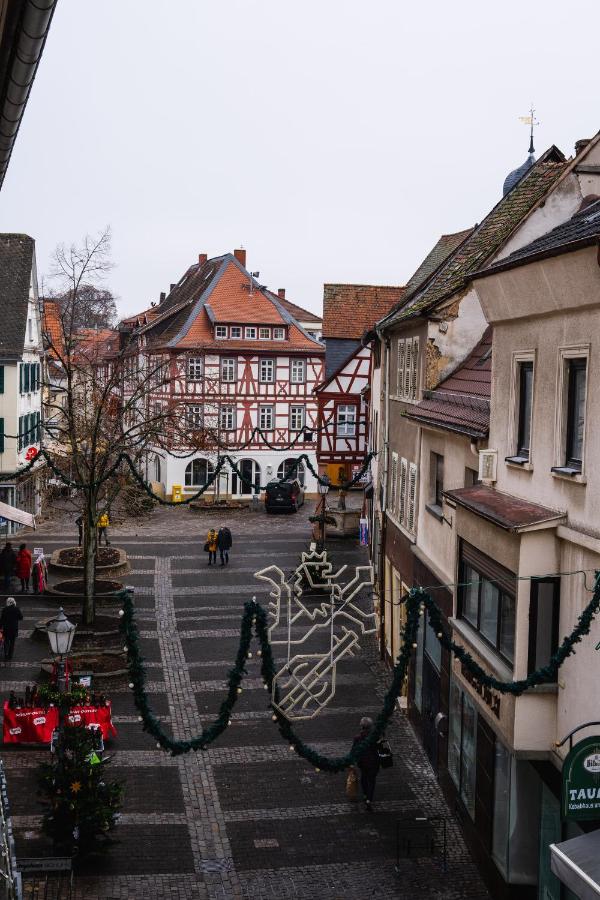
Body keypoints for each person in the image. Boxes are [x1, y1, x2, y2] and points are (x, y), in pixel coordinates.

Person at [352, 716, 380, 811]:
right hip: (374, 761)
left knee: (364, 777)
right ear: (370, 726)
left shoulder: (357, 738)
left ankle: (365, 794)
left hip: (363, 762)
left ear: (361, 726)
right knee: (372, 780)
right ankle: (369, 799)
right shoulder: (374, 737)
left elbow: (354, 750)